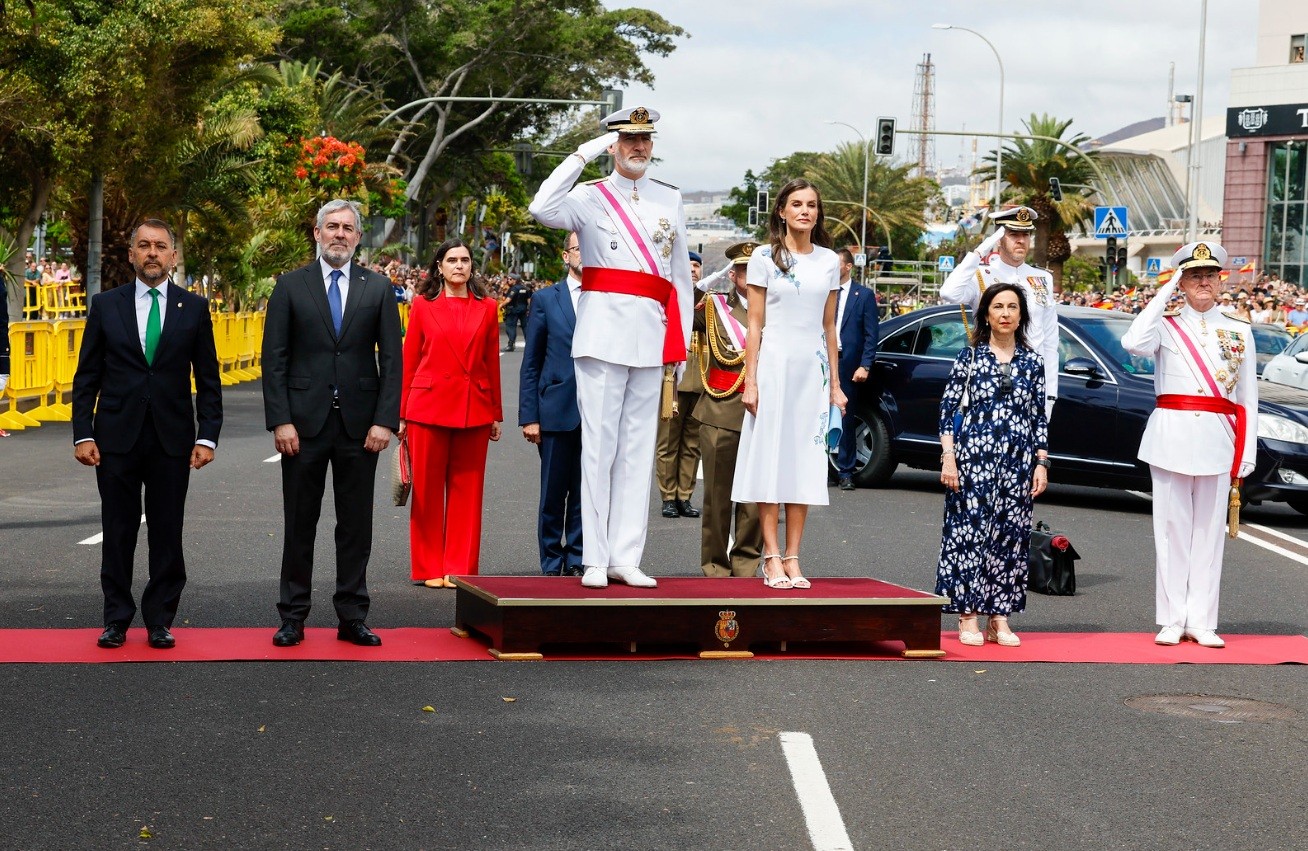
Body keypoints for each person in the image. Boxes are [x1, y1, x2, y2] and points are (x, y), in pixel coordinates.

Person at [527, 105, 693, 589]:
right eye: (629, 140)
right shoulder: (588, 196)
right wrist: (582, 153)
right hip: (601, 334)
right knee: (598, 450)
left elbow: (679, 278)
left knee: (638, 452)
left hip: (650, 334)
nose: (639, 147)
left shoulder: (669, 197)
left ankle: (626, 556)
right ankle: (595, 557)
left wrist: (679, 345)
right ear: (614, 145)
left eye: (645, 139)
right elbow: (541, 208)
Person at [71, 219, 223, 650]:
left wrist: (207, 436)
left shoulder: (194, 308)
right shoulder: (106, 305)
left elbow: (208, 380)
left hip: (172, 440)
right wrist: (82, 433)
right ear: (131, 254)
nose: (152, 253)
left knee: (167, 530)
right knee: (118, 529)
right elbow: (87, 376)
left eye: (160, 246)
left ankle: (160, 620)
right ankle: (116, 619)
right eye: (144, 245)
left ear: (173, 256)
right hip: (115, 438)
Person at [262, 199, 403, 648]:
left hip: (361, 428)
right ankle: (292, 616)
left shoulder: (378, 288)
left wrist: (385, 421)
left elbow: (392, 360)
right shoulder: (290, 286)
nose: (339, 234)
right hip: (302, 427)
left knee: (355, 526)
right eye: (332, 226)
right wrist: (280, 420)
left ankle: (352, 616)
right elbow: (274, 359)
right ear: (317, 233)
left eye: (347, 228)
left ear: (358, 237)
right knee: (299, 523)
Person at [1121, 241, 1257, 648]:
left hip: (1218, 438)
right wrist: (1165, 290)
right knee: (1171, 531)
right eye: (1194, 276)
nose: (1203, 282)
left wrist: (1246, 452)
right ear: (1182, 282)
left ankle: (1202, 621)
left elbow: (1248, 399)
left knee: (1209, 535)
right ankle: (1171, 619)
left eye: (1209, 275)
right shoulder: (1164, 325)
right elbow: (1132, 342)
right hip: (1172, 437)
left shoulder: (1239, 330)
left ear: (1221, 281)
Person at [731, 179, 847, 589]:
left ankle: (794, 556)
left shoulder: (829, 261)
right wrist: (750, 380)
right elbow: (754, 324)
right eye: (796, 204)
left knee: (803, 463)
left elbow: (829, 327)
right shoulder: (763, 257)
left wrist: (835, 385)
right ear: (781, 211)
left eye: (811, 205)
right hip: (774, 367)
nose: (805, 211)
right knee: (771, 459)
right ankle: (771, 556)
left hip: (812, 371)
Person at [937, 283, 1049, 647]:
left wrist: (1041, 462)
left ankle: (999, 616)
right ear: (986, 314)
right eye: (998, 306)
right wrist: (949, 458)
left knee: (1009, 536)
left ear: (1021, 316)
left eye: (1012, 307)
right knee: (968, 534)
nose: (1005, 313)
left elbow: (1038, 417)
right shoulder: (969, 358)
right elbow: (948, 411)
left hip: (1018, 462)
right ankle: (967, 614)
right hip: (973, 460)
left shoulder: (1033, 362)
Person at [401, 239, 503, 587]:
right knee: (427, 492)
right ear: (439, 267)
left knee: (468, 492)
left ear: (472, 267)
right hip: (427, 406)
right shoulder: (421, 305)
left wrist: (496, 413)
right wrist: (402, 414)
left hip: (474, 407)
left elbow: (491, 362)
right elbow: (410, 359)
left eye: (465, 260)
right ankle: (429, 567)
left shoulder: (488, 307)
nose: (459, 265)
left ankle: (459, 567)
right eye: (452, 260)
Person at [939, 206, 1060, 421]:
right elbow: (949, 293)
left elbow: (1050, 340)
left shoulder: (1042, 279)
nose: (1021, 240)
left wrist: (1050, 395)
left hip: (1030, 385)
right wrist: (980, 252)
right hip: (988, 380)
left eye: (1026, 234)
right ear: (999, 238)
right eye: (1013, 234)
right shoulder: (980, 275)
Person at [693, 241, 763, 577]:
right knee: (717, 497)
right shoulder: (713, 306)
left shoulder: (776, 309)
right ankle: (715, 566)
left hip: (762, 413)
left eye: (756, 269)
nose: (750, 276)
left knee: (755, 499)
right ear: (732, 275)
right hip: (720, 411)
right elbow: (679, 309)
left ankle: (746, 564)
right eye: (744, 269)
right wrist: (702, 284)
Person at [519, 233, 585, 577]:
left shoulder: (606, 299)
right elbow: (531, 361)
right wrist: (529, 416)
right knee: (553, 492)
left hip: (595, 411)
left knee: (585, 493)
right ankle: (550, 559)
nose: (584, 253)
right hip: (555, 409)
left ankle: (577, 557)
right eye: (578, 248)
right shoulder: (546, 299)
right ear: (565, 255)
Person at [655, 249, 705, 518]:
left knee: (692, 444)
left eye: (696, 266)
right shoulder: (668, 297)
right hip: (671, 380)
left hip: (699, 382)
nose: (693, 270)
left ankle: (684, 496)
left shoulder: (708, 301)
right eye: (688, 265)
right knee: (668, 442)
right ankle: (668, 496)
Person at [832, 248, 879, 490]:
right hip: (821, 361)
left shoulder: (864, 295)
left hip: (847, 364)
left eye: (836, 263)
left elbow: (871, 334)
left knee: (845, 416)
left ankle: (846, 471)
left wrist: (865, 365)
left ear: (848, 266)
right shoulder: (824, 292)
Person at [500, 274, 532, 352]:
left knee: (510, 327)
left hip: (513, 310)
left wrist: (501, 305)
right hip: (523, 310)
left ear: (515, 280)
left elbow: (508, 300)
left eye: (510, 279)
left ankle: (511, 345)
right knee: (525, 327)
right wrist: (530, 310)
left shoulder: (513, 289)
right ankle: (530, 345)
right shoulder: (526, 289)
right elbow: (529, 301)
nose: (508, 280)